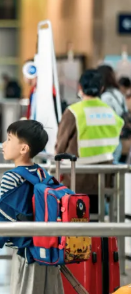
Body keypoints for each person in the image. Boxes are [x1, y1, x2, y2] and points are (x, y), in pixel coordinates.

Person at [0, 120, 63, 294]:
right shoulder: (41, 172)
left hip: (26, 251)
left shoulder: (11, 178)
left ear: (23, 149)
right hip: (46, 248)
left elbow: (3, 218)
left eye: (9, 139)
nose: (4, 144)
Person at [56, 69, 124, 216]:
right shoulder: (110, 113)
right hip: (103, 177)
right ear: (102, 88)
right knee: (97, 219)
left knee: (76, 222)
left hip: (77, 178)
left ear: (80, 87)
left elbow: (60, 147)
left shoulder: (74, 112)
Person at [98, 64, 128, 163]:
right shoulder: (119, 94)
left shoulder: (105, 97)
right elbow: (125, 112)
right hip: (118, 139)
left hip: (107, 141)